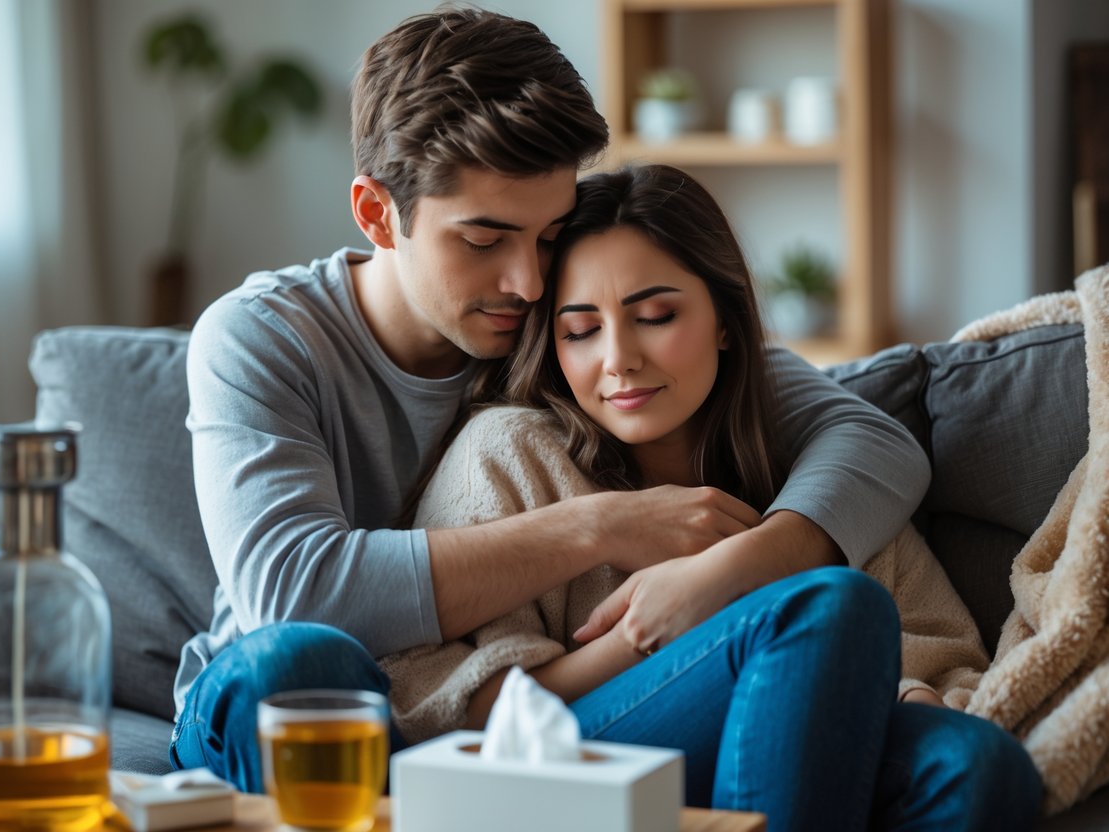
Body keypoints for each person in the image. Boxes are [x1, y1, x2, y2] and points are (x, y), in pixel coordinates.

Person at [171, 7, 929, 799]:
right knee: (303, 663)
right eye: (482, 240)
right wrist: (600, 525)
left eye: (547, 234)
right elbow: (295, 593)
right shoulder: (261, 336)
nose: (526, 282)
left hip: (510, 731)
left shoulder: (566, 321)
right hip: (285, 704)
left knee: (929, 736)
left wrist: (737, 566)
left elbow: (868, 439)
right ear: (376, 214)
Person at [382, 164, 1040, 830]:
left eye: (655, 316)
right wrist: (653, 630)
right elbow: (456, 708)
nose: (617, 359)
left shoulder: (803, 466)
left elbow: (940, 651)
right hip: (576, 752)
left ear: (727, 322)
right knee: (826, 604)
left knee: (978, 764)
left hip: (786, 740)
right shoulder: (507, 450)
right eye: (579, 330)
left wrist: (899, 689)